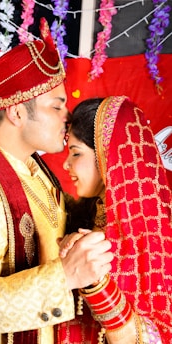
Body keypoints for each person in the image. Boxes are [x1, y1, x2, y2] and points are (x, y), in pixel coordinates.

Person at [0, 20, 113, 344]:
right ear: (17, 113)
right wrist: (62, 276)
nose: (67, 116)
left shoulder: (36, 174)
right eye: (56, 106)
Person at [60, 96, 172, 344]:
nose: (66, 164)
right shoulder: (80, 217)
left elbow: (157, 337)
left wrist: (97, 283)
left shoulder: (157, 236)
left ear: (106, 156)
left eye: (76, 153)